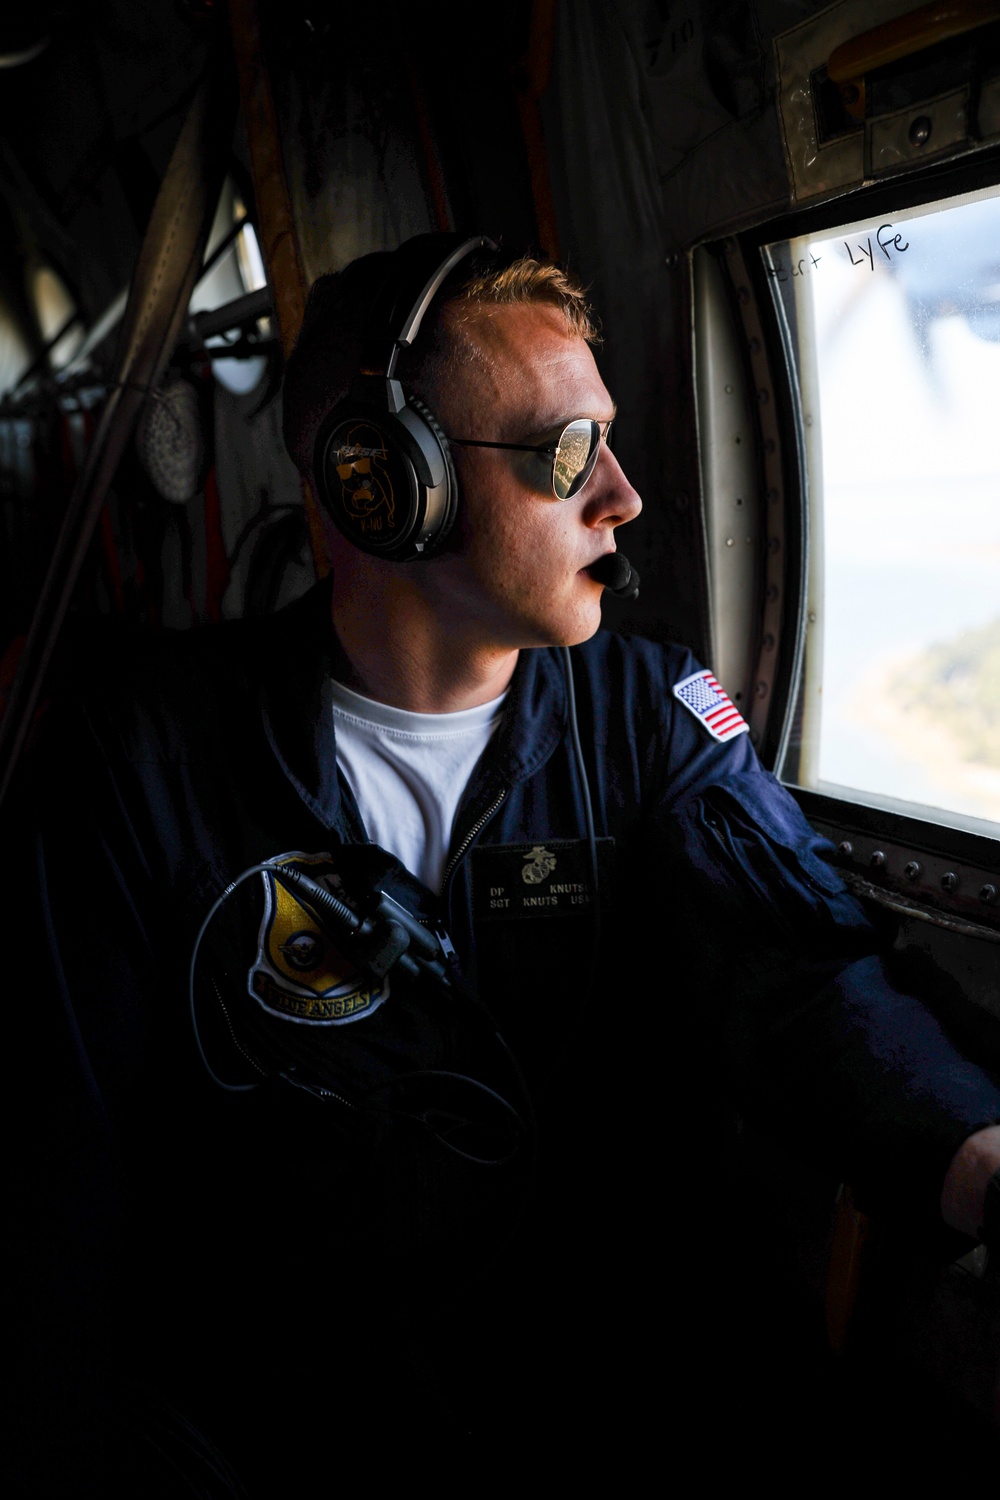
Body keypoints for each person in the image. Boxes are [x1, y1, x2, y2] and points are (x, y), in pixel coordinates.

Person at [9, 234, 999, 1493]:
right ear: (382, 484)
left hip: (597, 1399)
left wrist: (980, 1168)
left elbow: (802, 982)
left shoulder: (646, 716)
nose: (622, 497)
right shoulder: (143, 760)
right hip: (290, 1437)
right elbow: (64, 1180)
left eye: (611, 441)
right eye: (565, 454)